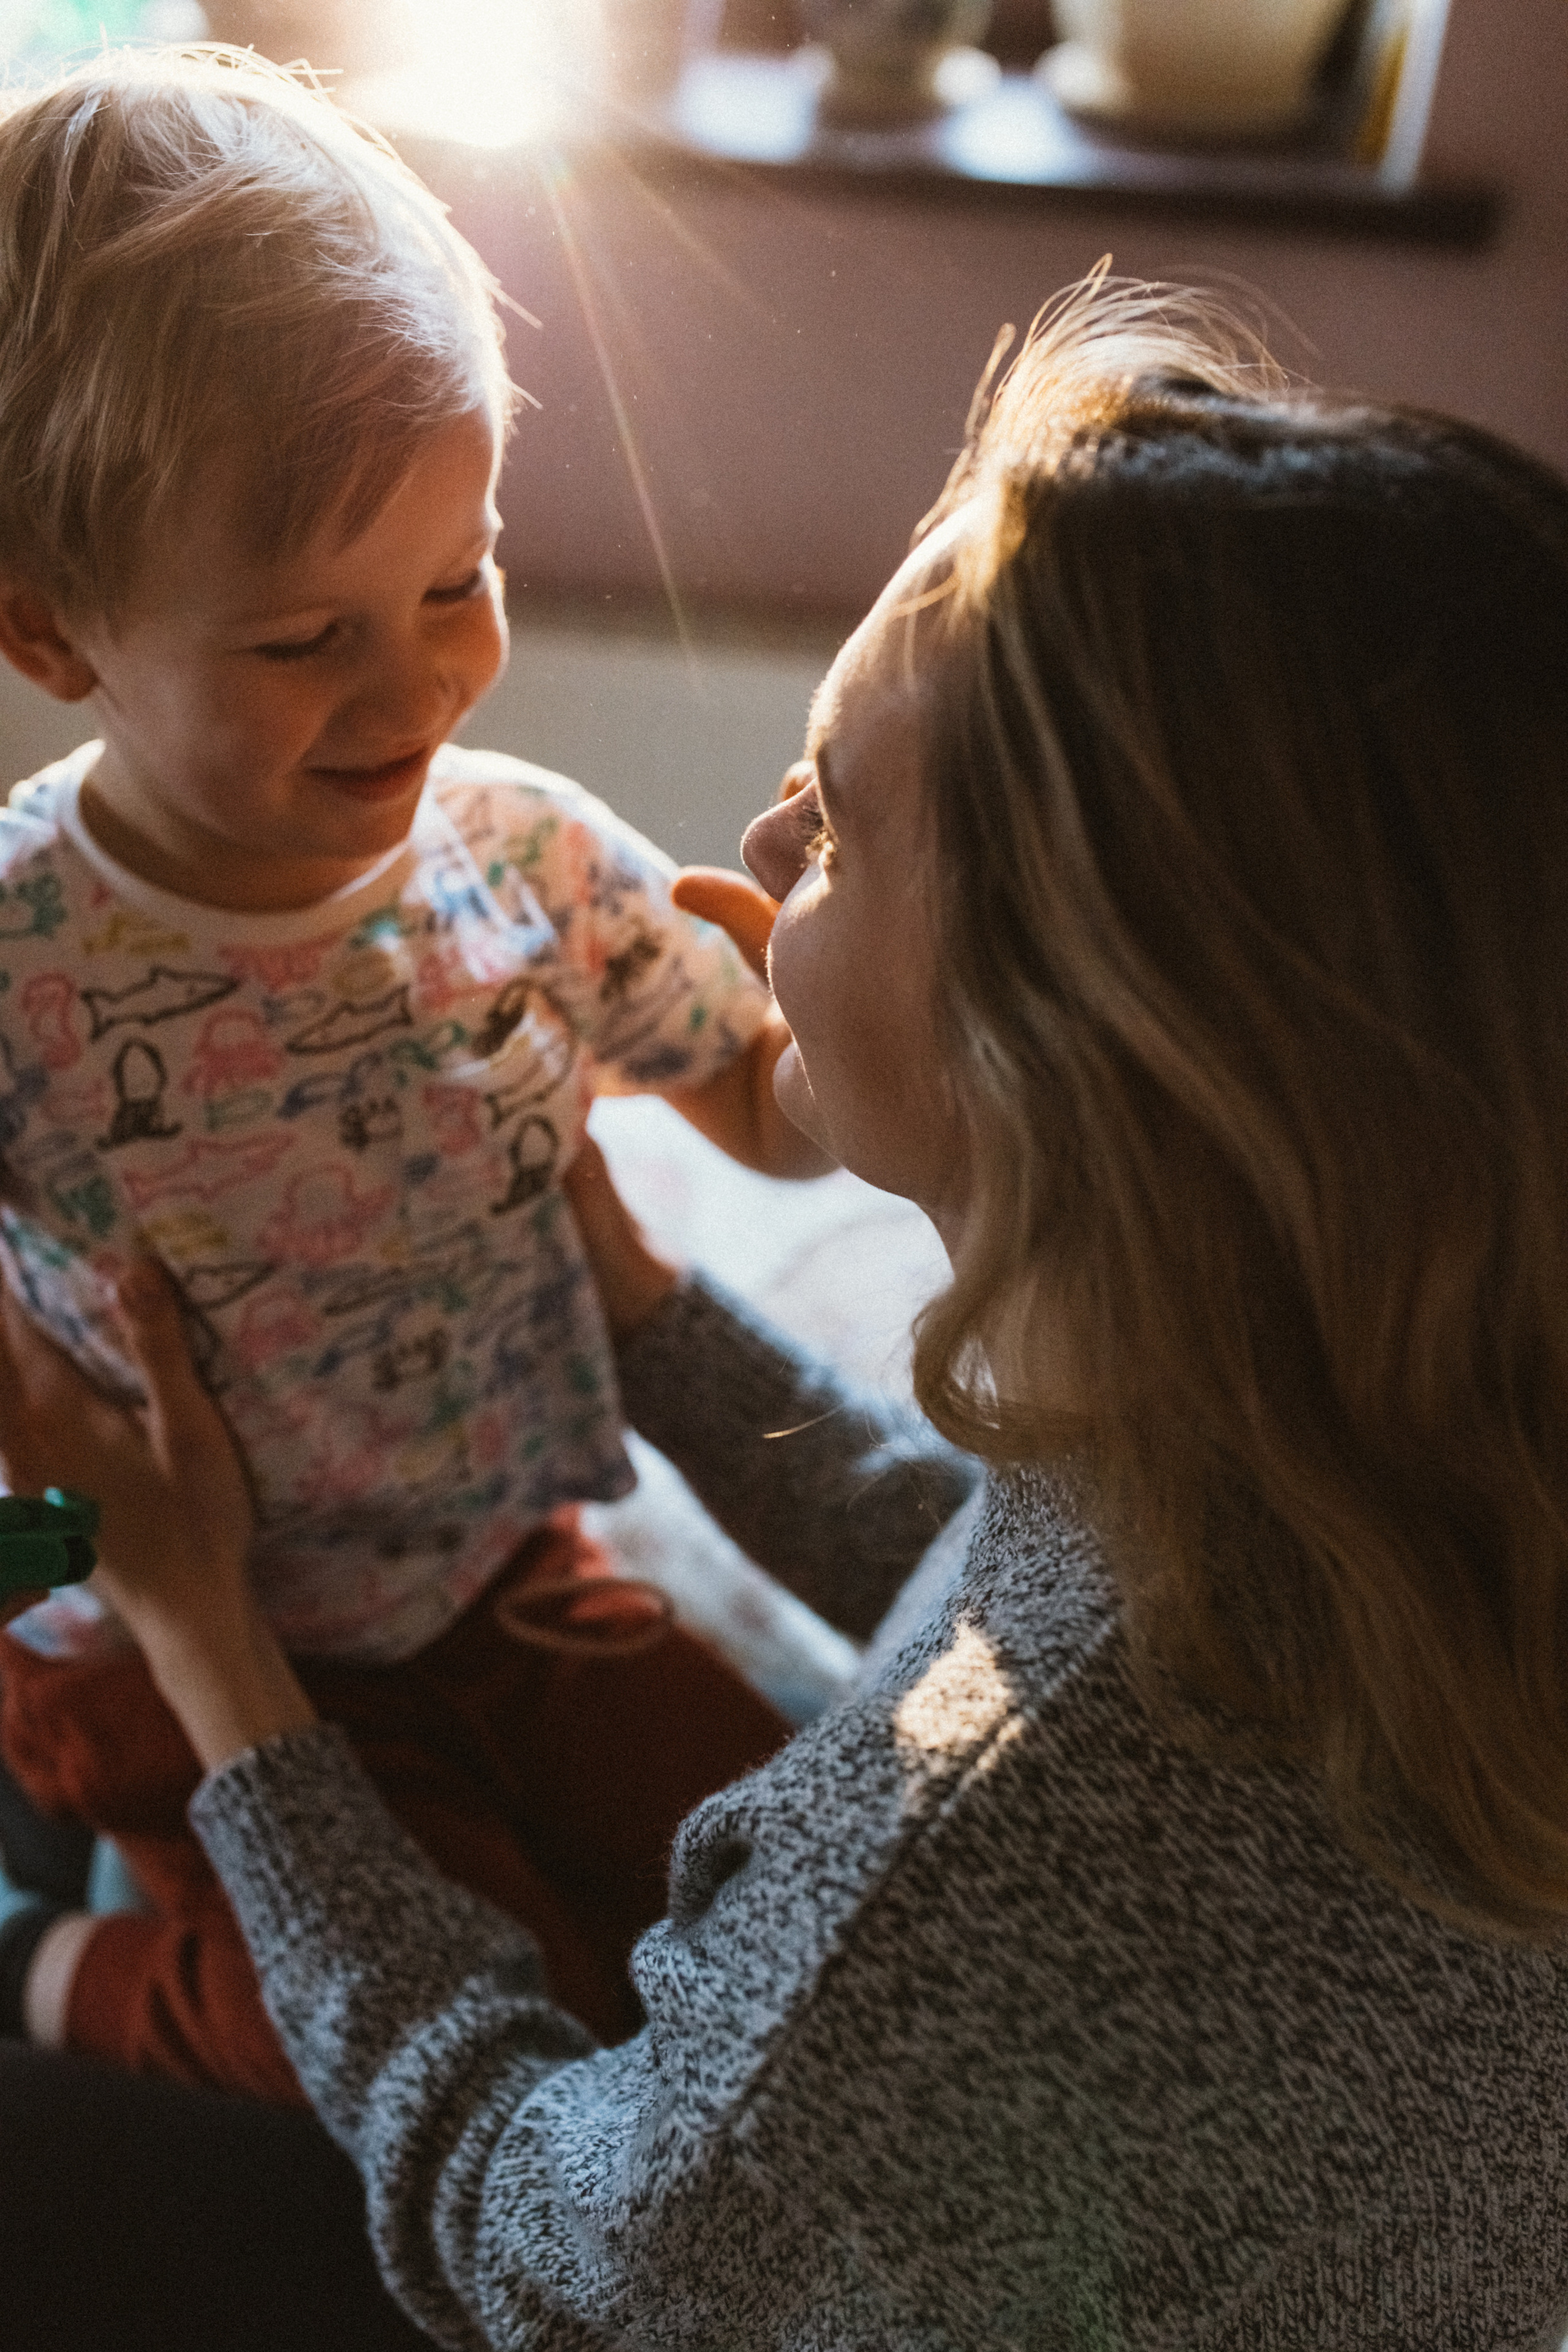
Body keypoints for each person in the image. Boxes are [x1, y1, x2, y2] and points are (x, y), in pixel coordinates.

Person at [6, 273, 1568, 2347]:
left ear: (1086, 1027)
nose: (747, 845)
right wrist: (641, 1310)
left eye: (831, 823)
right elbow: (988, 1616)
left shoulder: (929, 1902)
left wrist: (212, 1644)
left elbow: (546, 2237)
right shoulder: (1401, 1414)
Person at [0, 45, 826, 2102]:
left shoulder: (526, 855)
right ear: (49, 631)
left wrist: (907, 995)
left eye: (458, 582)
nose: (425, 681)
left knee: (808, 1907)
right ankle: (48, 1971)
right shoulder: (18, 958)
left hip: (505, 1571)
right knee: (442, 2024)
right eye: (303, 642)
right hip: (178, 1656)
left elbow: (775, 1118)